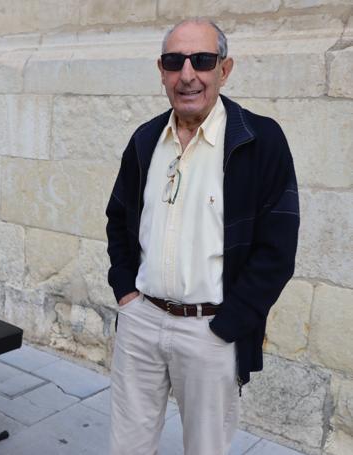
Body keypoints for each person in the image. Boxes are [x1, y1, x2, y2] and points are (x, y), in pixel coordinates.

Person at [105, 19, 299, 455]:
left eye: (203, 61)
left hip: (211, 332)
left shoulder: (260, 140)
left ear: (225, 69)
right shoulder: (145, 139)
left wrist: (229, 325)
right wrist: (125, 293)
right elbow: (119, 218)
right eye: (175, 62)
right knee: (126, 448)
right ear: (161, 70)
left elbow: (278, 250)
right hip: (142, 323)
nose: (187, 74)